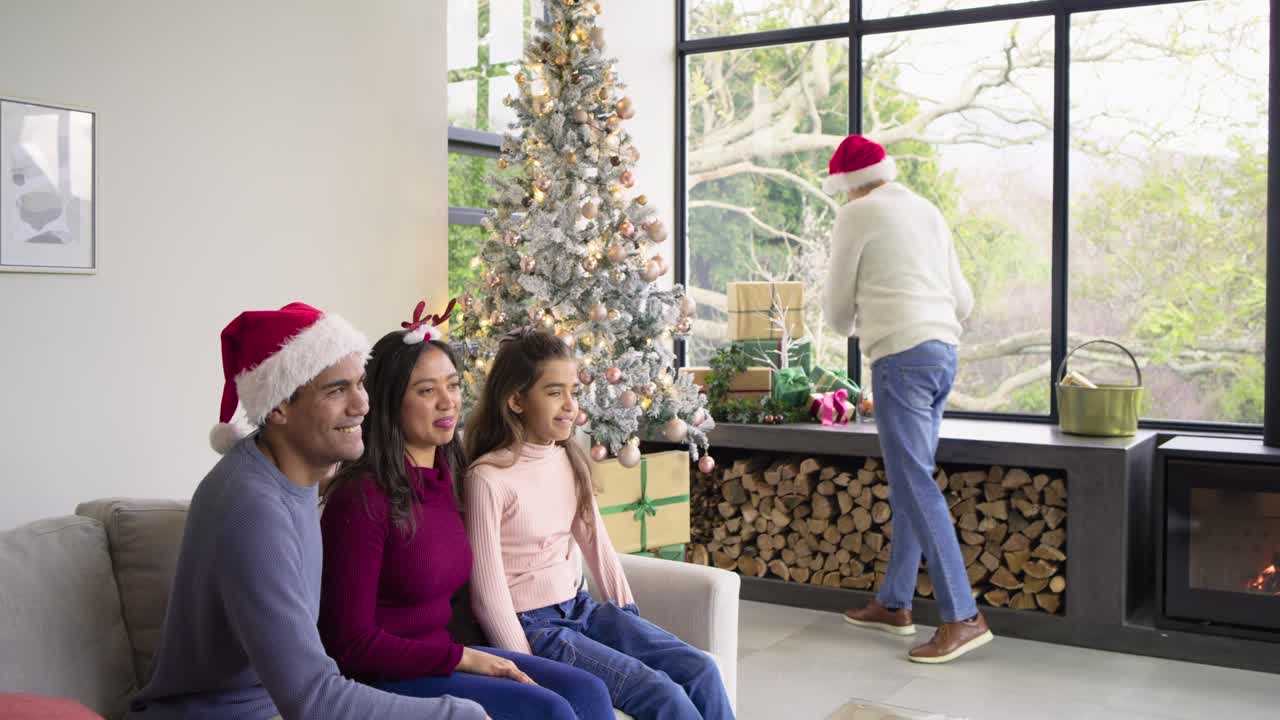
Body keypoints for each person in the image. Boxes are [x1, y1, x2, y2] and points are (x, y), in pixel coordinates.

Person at [129, 302, 485, 720]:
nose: (362, 405)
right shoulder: (252, 508)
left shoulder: (296, 476)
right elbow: (313, 700)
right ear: (278, 407)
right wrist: (458, 715)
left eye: (360, 384)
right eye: (336, 390)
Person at [318, 306, 615, 720]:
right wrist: (465, 658)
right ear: (390, 402)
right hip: (389, 675)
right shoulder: (361, 498)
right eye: (426, 391)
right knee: (548, 709)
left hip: (445, 654)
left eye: (454, 385)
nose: (448, 402)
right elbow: (349, 643)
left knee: (587, 689)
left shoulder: (450, 477)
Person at [463, 329, 735, 720]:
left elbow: (599, 548)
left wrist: (627, 618)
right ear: (516, 400)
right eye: (554, 392)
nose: (569, 405)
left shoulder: (568, 459)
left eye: (573, 391)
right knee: (661, 693)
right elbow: (487, 594)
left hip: (582, 608)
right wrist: (525, 668)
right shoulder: (488, 479)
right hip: (537, 627)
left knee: (701, 669)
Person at [820, 135, 993, 664]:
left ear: (848, 185)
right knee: (908, 481)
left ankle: (963, 617)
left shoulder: (856, 215)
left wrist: (865, 320)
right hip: (943, 353)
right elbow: (963, 299)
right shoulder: (926, 210)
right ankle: (895, 603)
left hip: (900, 359)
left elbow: (835, 313)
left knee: (915, 483)